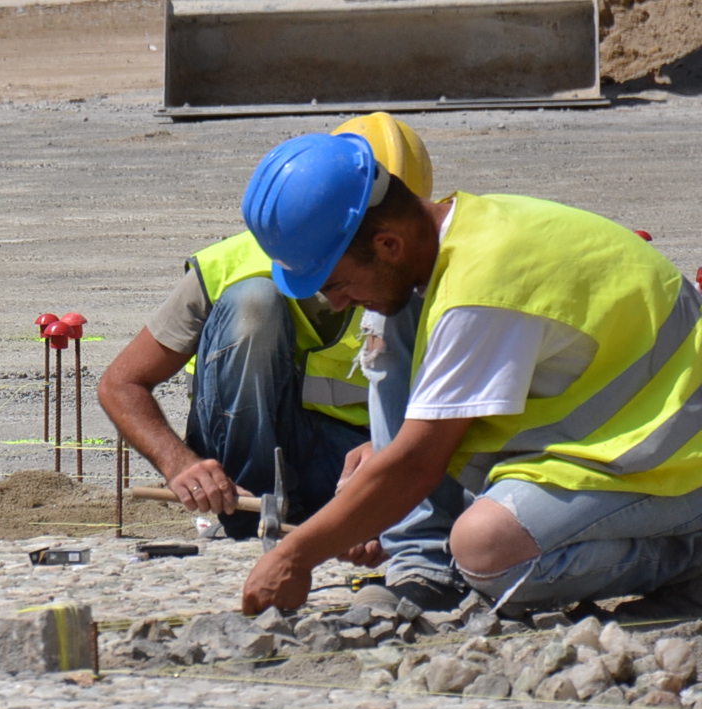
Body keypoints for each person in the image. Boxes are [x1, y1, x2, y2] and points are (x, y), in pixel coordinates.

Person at [237, 131, 702, 620]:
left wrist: (295, 555)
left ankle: (691, 557)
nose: (336, 303)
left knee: (488, 551)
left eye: (337, 283)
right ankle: (422, 559)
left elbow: (417, 463)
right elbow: (425, 443)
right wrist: (373, 497)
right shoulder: (462, 235)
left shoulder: (481, 286)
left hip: (676, 460)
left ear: (389, 243)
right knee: (392, 319)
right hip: (617, 438)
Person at [99, 113, 434, 541]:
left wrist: (391, 450)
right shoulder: (231, 267)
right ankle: (244, 521)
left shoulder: (430, 273)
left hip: (357, 463)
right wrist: (178, 464)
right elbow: (120, 384)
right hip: (241, 475)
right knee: (252, 304)